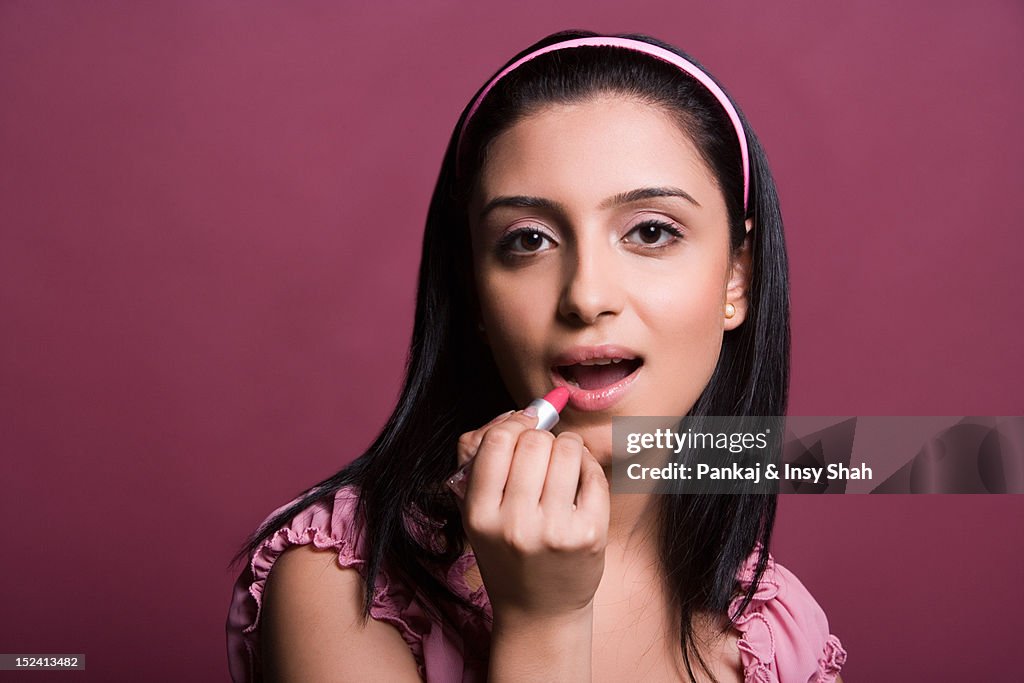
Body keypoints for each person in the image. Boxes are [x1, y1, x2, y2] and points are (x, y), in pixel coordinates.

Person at [226, 29, 847, 682]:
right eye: (528, 240)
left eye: (652, 231)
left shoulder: (776, 641)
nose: (586, 296)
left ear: (737, 279)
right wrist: (541, 622)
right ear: (475, 295)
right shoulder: (341, 579)